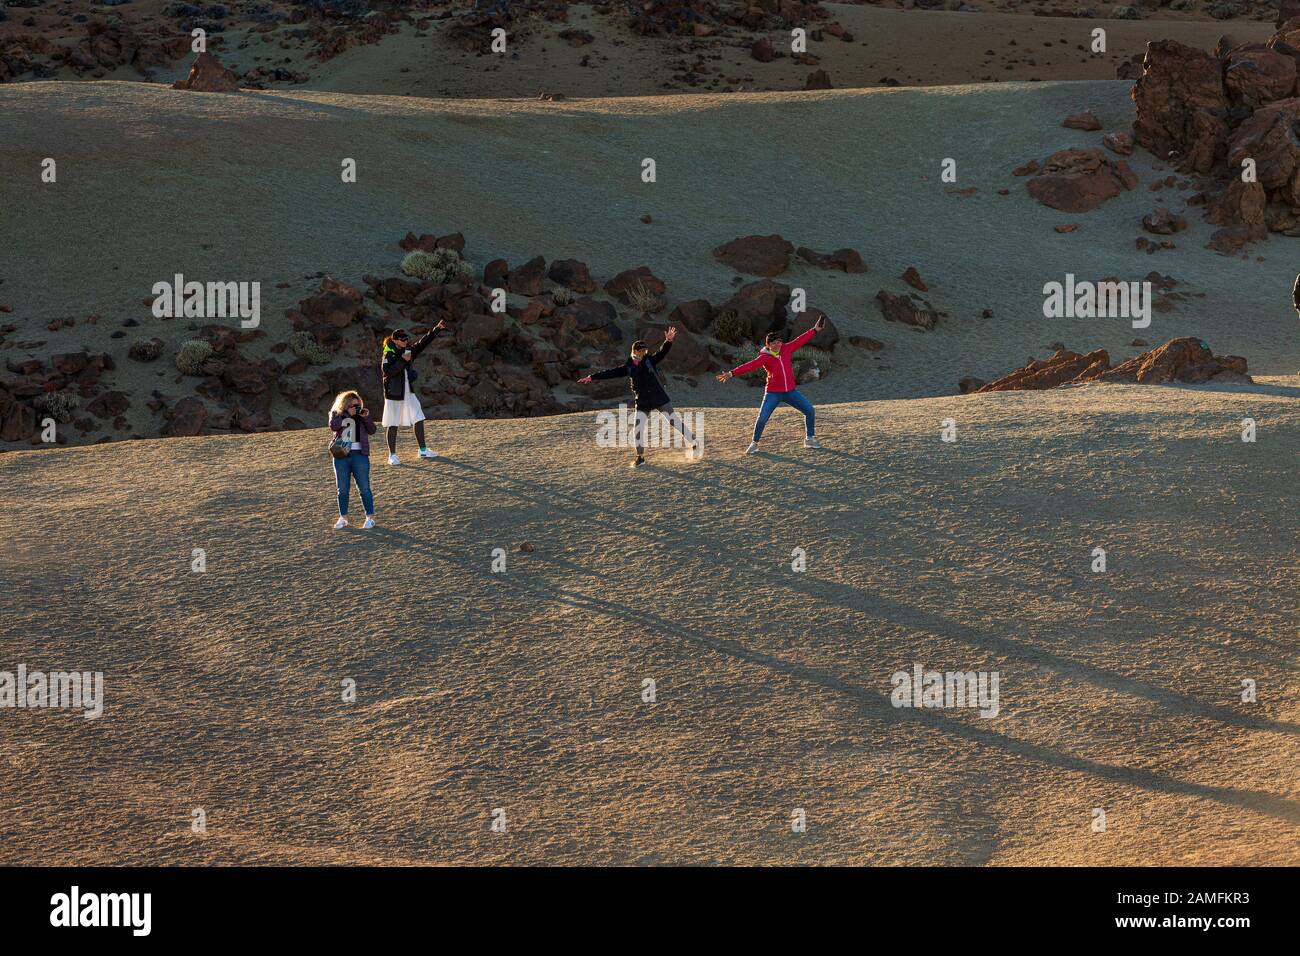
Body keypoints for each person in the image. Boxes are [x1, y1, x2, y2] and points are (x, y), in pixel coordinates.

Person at [577, 326, 700, 467]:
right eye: (641, 350)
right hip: (642, 400)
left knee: (673, 421)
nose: (643, 352)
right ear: (634, 351)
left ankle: (694, 441)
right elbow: (610, 373)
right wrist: (592, 377)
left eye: (645, 350)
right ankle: (640, 457)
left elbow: (661, 353)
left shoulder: (649, 360)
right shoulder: (628, 367)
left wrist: (668, 341)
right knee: (638, 429)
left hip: (658, 396)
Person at [716, 318, 825, 454]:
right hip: (773, 393)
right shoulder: (764, 357)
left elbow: (800, 340)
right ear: (769, 345)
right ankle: (754, 443)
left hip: (790, 392)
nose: (778, 344)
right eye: (775, 343)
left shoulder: (786, 349)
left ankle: (809, 439)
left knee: (809, 410)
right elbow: (749, 366)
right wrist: (731, 373)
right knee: (762, 418)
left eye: (780, 342)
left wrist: (814, 330)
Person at [381, 321, 445, 465]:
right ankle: (392, 455)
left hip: (408, 392)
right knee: (393, 423)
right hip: (393, 394)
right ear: (395, 340)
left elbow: (422, 344)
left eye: (406, 339)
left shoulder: (408, 350)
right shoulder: (388, 354)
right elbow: (387, 372)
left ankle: (422, 449)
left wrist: (436, 330)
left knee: (419, 417)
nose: (406, 341)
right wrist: (403, 361)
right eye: (402, 339)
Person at [328, 390, 377, 529]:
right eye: (352, 405)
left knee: (364, 488)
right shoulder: (337, 413)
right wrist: (347, 415)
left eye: (357, 404)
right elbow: (334, 426)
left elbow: (372, 430)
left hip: (359, 454)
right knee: (342, 489)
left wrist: (366, 417)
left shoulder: (362, 415)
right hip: (341, 456)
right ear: (344, 404)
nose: (355, 407)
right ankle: (343, 518)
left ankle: (370, 518)